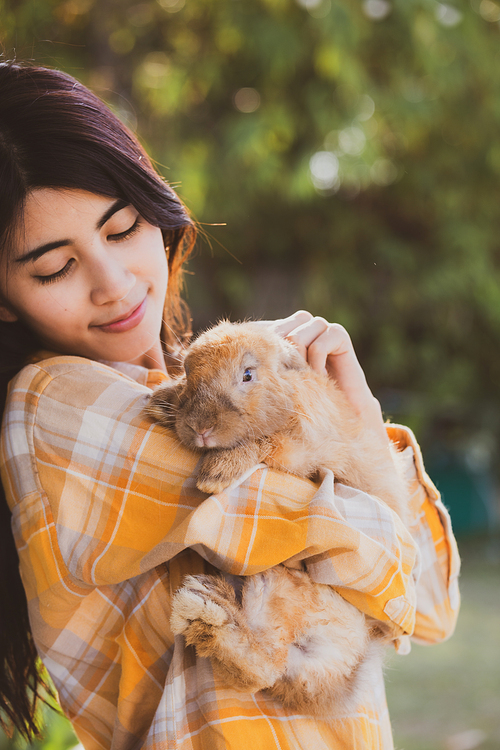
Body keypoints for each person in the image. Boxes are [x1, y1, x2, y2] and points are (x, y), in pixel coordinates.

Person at [0, 61, 460, 750]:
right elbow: (382, 562)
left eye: (122, 227)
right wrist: (346, 438)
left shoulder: (188, 390)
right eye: (55, 267)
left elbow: (427, 608)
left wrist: (356, 415)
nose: (114, 282)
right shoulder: (54, 408)